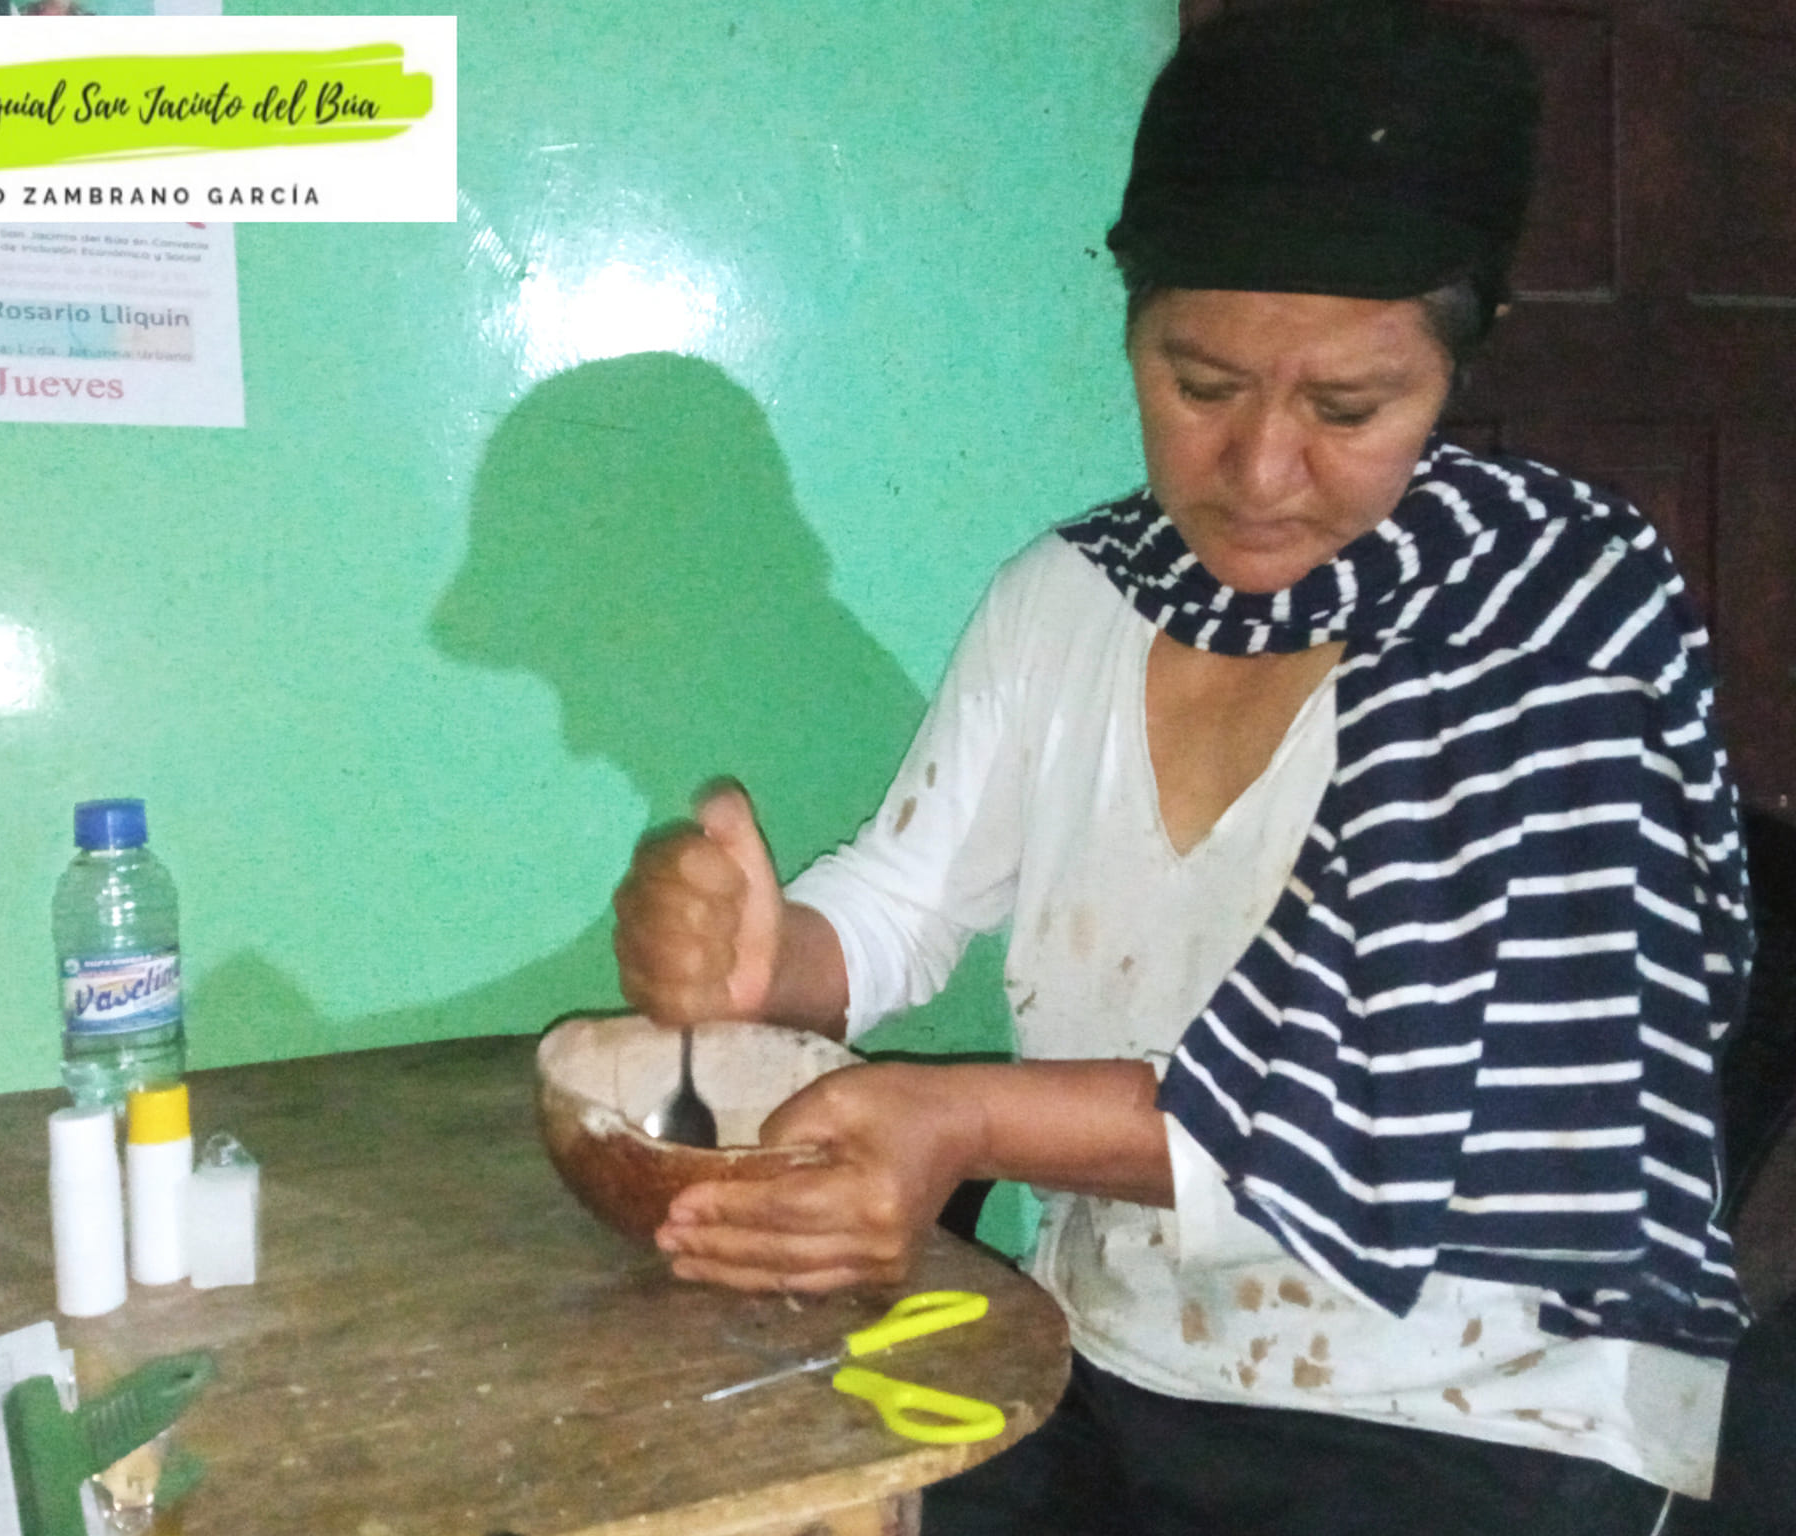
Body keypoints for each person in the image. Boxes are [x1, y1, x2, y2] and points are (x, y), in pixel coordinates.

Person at [608, 4, 1755, 1534]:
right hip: (1111, 1352)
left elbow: (1385, 1105)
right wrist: (768, 958)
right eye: (1201, 384)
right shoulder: (1073, 598)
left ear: (1453, 368)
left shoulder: (1552, 624)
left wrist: (963, 1121)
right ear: (1133, 330)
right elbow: (900, 904)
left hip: (1483, 1404)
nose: (1262, 471)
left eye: (1349, 408)